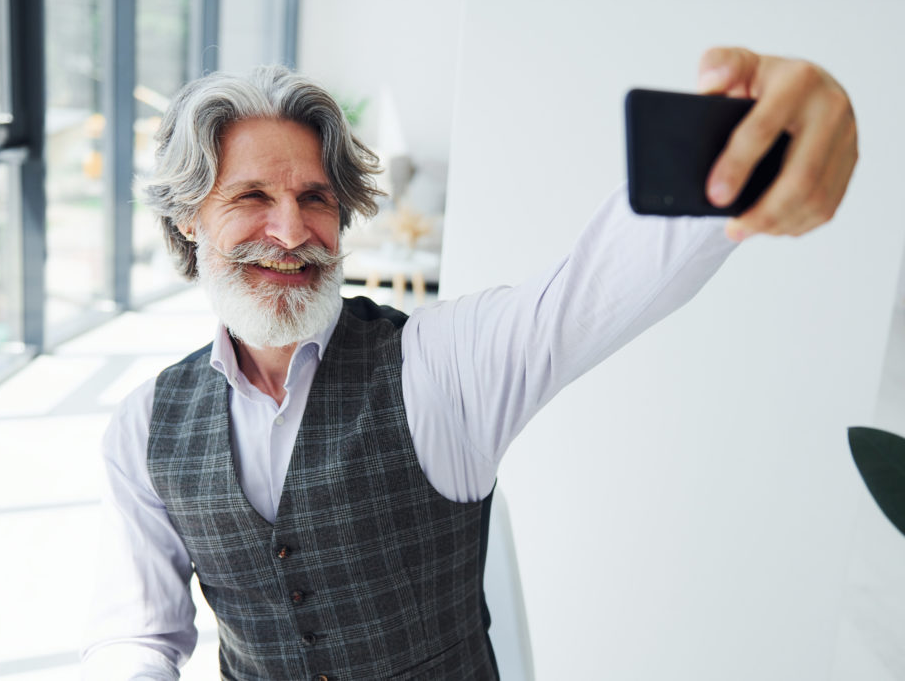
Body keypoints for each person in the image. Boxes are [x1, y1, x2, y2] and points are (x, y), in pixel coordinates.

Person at [81, 47, 857, 680]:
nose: (291, 232)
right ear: (190, 218)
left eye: (316, 199)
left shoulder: (440, 366)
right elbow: (141, 635)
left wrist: (745, 151)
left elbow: (594, 288)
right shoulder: (142, 428)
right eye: (252, 196)